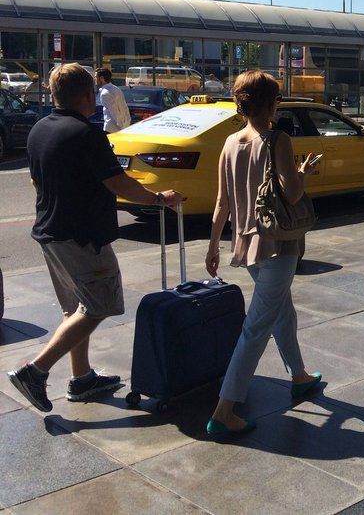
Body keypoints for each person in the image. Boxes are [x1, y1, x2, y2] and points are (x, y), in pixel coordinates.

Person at [6, 63, 183, 412]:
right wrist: (160, 199)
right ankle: (35, 371)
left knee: (75, 309)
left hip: (50, 233)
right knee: (101, 304)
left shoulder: (39, 130)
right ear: (88, 95)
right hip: (83, 237)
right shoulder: (87, 135)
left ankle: (82, 377)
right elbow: (118, 182)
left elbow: (36, 182)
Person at [204, 70, 322, 437]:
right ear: (271, 104)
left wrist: (212, 247)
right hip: (278, 243)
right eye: (277, 100)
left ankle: (299, 376)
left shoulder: (229, 142)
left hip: (246, 243)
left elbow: (222, 202)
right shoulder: (278, 140)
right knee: (256, 326)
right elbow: (290, 194)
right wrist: (302, 172)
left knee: (281, 311)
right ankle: (225, 409)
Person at [95, 68, 130, 133]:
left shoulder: (104, 93)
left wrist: (122, 128)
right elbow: (125, 108)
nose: (95, 80)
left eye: (96, 77)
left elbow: (114, 112)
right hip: (122, 126)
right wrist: (126, 126)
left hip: (112, 129)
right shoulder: (116, 89)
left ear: (102, 78)